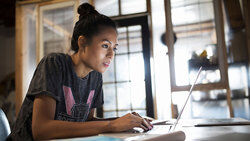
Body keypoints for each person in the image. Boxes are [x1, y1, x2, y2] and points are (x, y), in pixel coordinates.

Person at [7, 3, 153, 141]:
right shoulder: (54, 64)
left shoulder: (95, 77)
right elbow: (41, 130)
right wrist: (112, 125)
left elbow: (86, 122)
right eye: (105, 45)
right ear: (82, 42)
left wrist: (124, 121)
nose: (111, 54)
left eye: (114, 48)